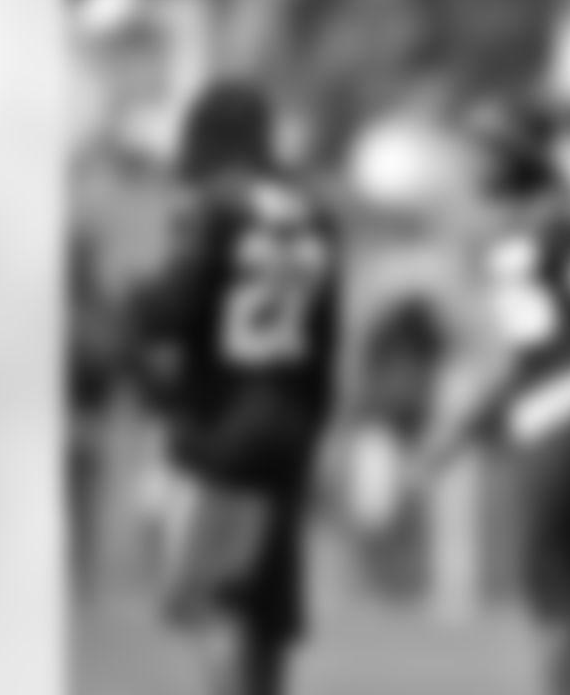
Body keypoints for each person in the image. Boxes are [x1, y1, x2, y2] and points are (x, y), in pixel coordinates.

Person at [396, 104, 570, 695]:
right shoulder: (522, 228)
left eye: (484, 149)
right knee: (561, 590)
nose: (473, 163)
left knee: (558, 592)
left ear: (515, 153)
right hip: (556, 407)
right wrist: (453, 434)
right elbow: (518, 355)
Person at [132, 81, 340, 695]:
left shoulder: (213, 208)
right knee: (269, 616)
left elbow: (171, 312)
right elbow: (327, 340)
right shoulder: (316, 213)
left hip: (224, 425)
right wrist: (315, 433)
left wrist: (132, 306)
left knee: (209, 600)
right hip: (291, 426)